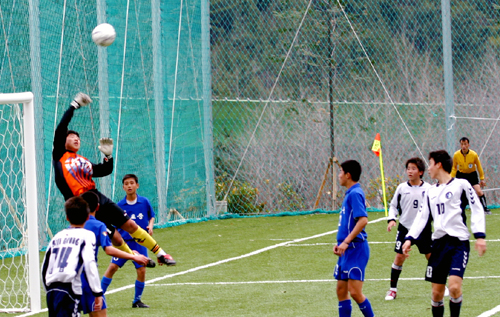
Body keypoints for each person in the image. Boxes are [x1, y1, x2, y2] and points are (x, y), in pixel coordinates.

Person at [52, 92, 175, 265]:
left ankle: (161, 253)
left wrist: (108, 157)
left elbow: (104, 170)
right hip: (79, 204)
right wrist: (74, 106)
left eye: (78, 137)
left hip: (96, 197)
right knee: (116, 238)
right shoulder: (60, 156)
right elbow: (60, 128)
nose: (76, 138)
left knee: (130, 225)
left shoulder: (83, 161)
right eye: (71, 137)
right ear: (62, 141)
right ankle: (136, 258)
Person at [402, 150, 486, 317]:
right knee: (436, 294)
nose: (429, 168)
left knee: (454, 288)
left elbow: (477, 208)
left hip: (458, 244)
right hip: (439, 245)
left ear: (439, 164)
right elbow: (422, 217)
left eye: (430, 164)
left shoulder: (461, 185)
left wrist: (480, 236)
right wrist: (409, 238)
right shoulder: (430, 192)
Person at [80, 191, 149, 316]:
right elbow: (109, 249)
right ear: (98, 207)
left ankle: (137, 300)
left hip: (63, 281)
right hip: (86, 278)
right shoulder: (98, 225)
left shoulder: (68, 229)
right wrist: (133, 256)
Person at [41, 196, 103, 317]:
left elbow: (45, 264)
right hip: (69, 288)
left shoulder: (57, 236)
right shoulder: (87, 235)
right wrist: (97, 292)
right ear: (87, 217)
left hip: (51, 290)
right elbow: (90, 263)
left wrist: (47, 289)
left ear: (67, 217)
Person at [101, 174, 156, 308]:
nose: (129, 185)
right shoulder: (119, 205)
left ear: (137, 185)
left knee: (141, 270)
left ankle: (137, 301)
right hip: (124, 243)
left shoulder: (144, 202)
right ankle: (98, 297)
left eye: (132, 183)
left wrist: (150, 226)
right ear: (123, 187)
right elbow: (112, 225)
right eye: (126, 183)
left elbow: (152, 216)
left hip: (140, 242)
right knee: (112, 268)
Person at [385, 157, 432, 300]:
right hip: (405, 228)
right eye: (408, 168)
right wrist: (392, 218)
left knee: (431, 257)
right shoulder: (401, 188)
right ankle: (392, 290)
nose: (410, 171)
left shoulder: (429, 189)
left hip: (423, 229)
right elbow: (393, 206)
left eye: (413, 168)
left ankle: (440, 284)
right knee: (399, 257)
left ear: (421, 172)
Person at [333, 160, 375, 317]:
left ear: (348, 175)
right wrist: (340, 243)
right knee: (341, 290)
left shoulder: (356, 193)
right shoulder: (350, 193)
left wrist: (346, 241)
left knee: (355, 293)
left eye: (340, 172)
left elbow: (363, 220)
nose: (339, 175)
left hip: (356, 249)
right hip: (346, 249)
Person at [451, 137, 491, 214]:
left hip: (472, 175)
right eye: (462, 144)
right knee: (458, 193)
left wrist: (482, 178)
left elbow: (479, 167)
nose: (464, 146)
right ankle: (457, 209)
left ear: (468, 145)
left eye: (465, 144)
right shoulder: (456, 155)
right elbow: (454, 167)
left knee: (478, 191)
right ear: (460, 145)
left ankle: (485, 208)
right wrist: (451, 178)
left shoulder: (474, 154)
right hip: (461, 175)